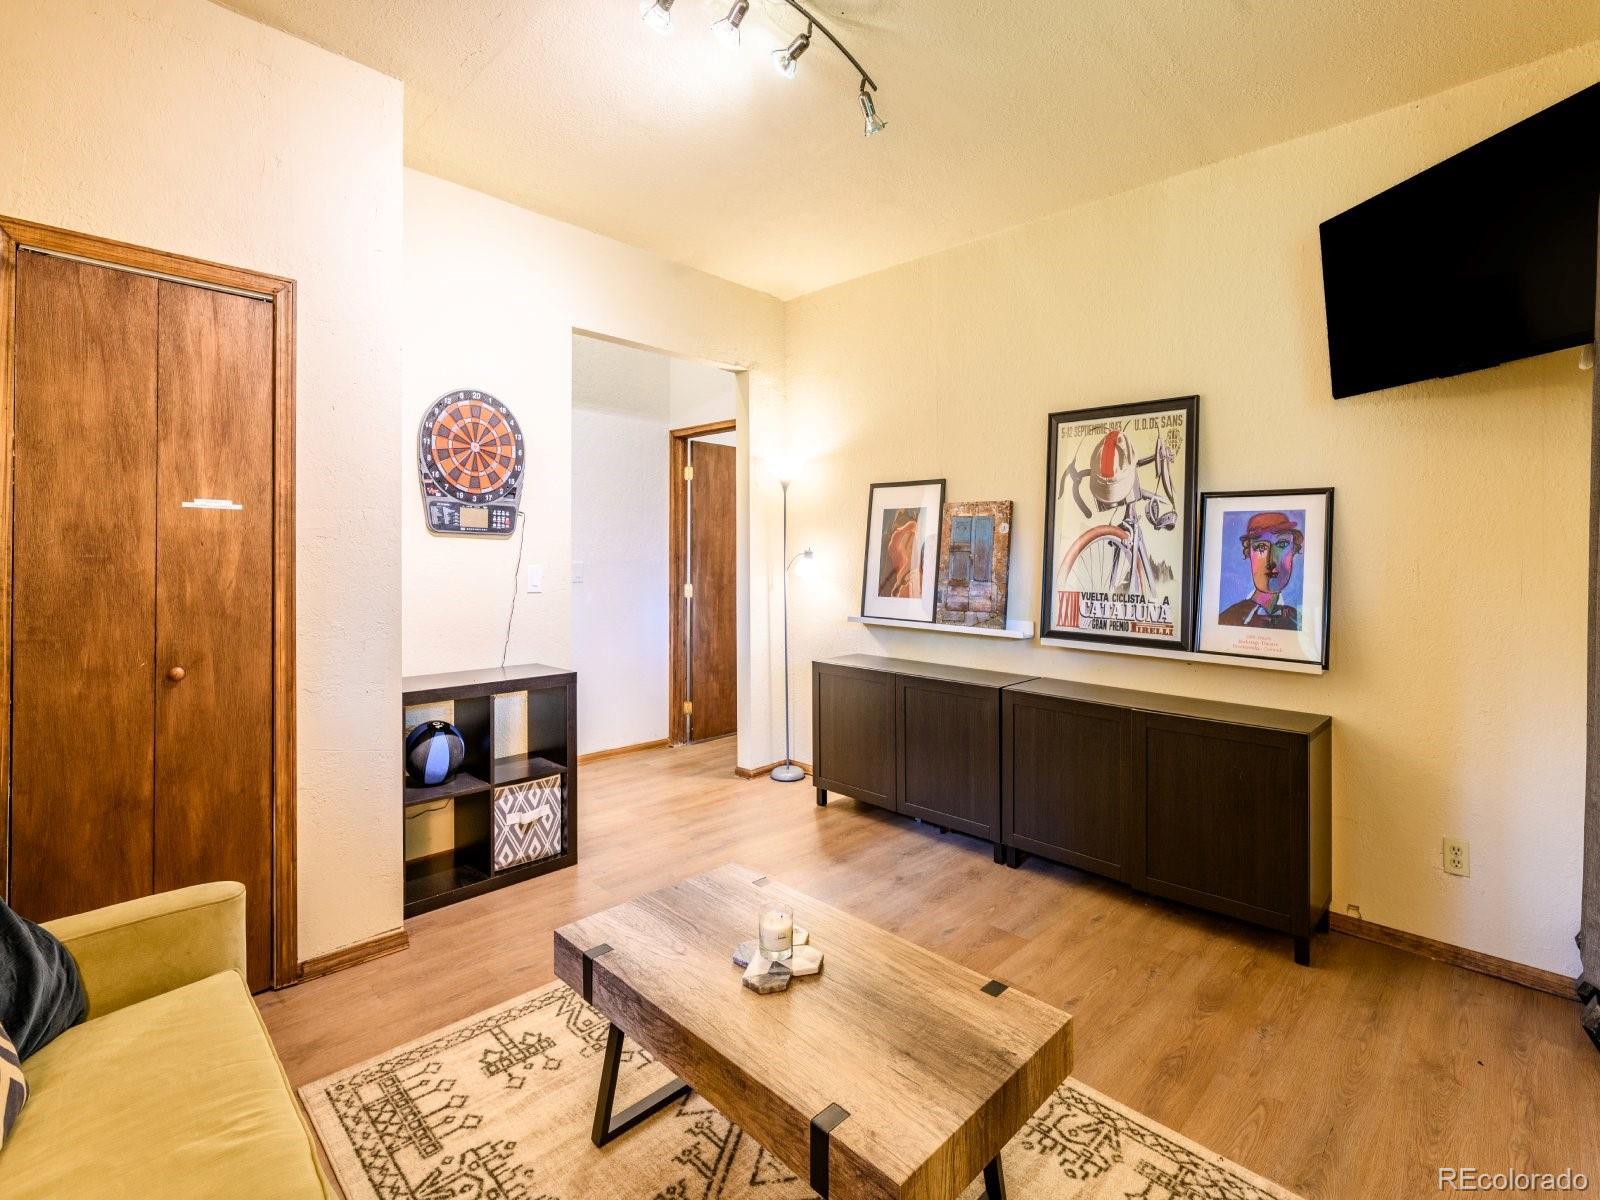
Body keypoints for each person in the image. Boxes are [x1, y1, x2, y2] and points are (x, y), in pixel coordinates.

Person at [1218, 511, 1302, 629]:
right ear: (1249, 554)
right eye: (1261, 547)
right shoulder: (1228, 619)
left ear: (1293, 551)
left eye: (1282, 544)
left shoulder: (1298, 620)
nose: (1271, 562)